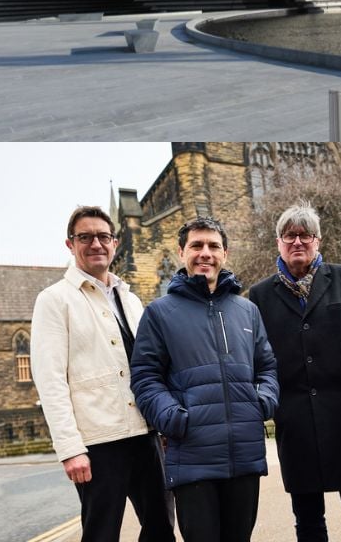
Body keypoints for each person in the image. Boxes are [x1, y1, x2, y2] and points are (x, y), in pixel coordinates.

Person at [32, 206, 175, 542]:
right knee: (101, 534)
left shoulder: (131, 299)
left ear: (115, 243)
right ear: (70, 244)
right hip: (97, 443)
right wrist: (70, 449)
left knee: (161, 530)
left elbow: (151, 366)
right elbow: (50, 380)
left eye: (103, 236)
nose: (95, 244)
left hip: (146, 434)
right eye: (85, 237)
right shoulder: (54, 300)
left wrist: (164, 422)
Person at [131, 216, 278, 542]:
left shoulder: (247, 310)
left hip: (244, 455)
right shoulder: (159, 313)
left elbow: (267, 367)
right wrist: (173, 418)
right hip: (193, 457)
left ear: (225, 253)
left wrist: (262, 402)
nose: (205, 253)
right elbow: (145, 377)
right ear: (182, 252)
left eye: (213, 246)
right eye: (196, 245)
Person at [248, 201, 341, 542]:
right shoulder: (260, 295)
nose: (297, 242)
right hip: (296, 422)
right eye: (289, 235)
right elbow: (258, 358)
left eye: (305, 235)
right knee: (308, 521)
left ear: (317, 241)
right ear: (278, 242)